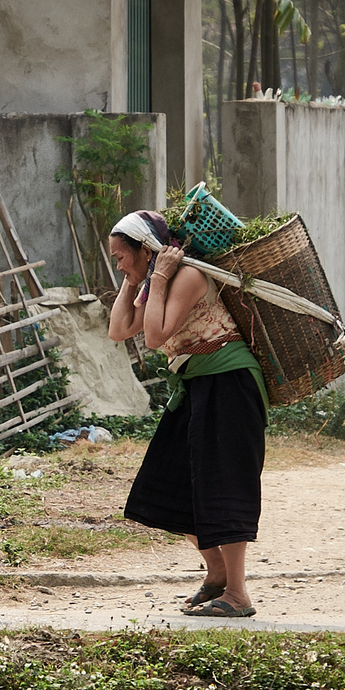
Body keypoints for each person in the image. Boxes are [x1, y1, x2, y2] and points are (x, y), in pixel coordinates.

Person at [106, 211, 268, 617]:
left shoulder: (190, 276)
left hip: (229, 383)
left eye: (122, 257)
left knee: (223, 483)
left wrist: (156, 278)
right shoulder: (153, 283)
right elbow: (119, 329)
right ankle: (216, 577)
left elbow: (156, 335)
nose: (120, 265)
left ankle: (237, 594)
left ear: (147, 250)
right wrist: (133, 281)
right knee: (167, 481)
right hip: (197, 383)